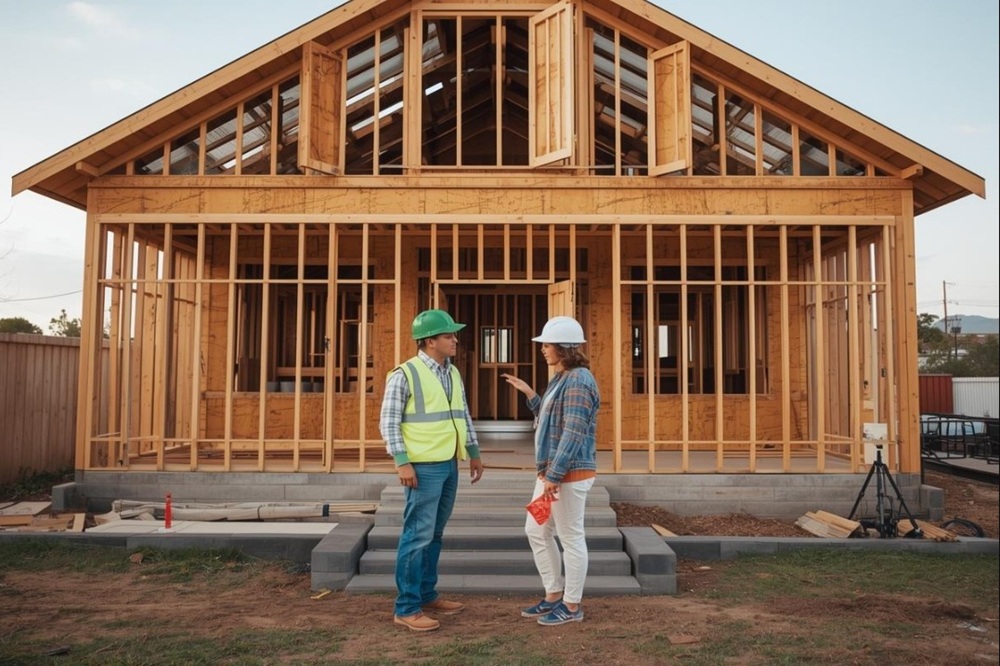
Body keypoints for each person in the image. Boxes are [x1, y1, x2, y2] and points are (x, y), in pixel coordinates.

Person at [379, 308, 485, 632]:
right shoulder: (404, 374)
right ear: (428, 341)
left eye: (454, 334)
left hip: (449, 463)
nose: (455, 339)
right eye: (448, 335)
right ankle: (406, 607)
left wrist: (473, 451)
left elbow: (462, 414)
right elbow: (388, 422)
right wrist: (402, 461)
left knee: (434, 535)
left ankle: (426, 594)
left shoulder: (451, 372)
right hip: (422, 468)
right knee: (417, 536)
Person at [501, 315, 599, 626]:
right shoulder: (562, 377)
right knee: (536, 529)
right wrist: (531, 395)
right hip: (551, 475)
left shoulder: (580, 381)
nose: (543, 349)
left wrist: (554, 477)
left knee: (570, 537)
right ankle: (554, 595)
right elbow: (551, 421)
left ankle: (571, 606)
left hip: (567, 476)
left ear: (564, 347)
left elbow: (573, 432)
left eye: (547, 344)